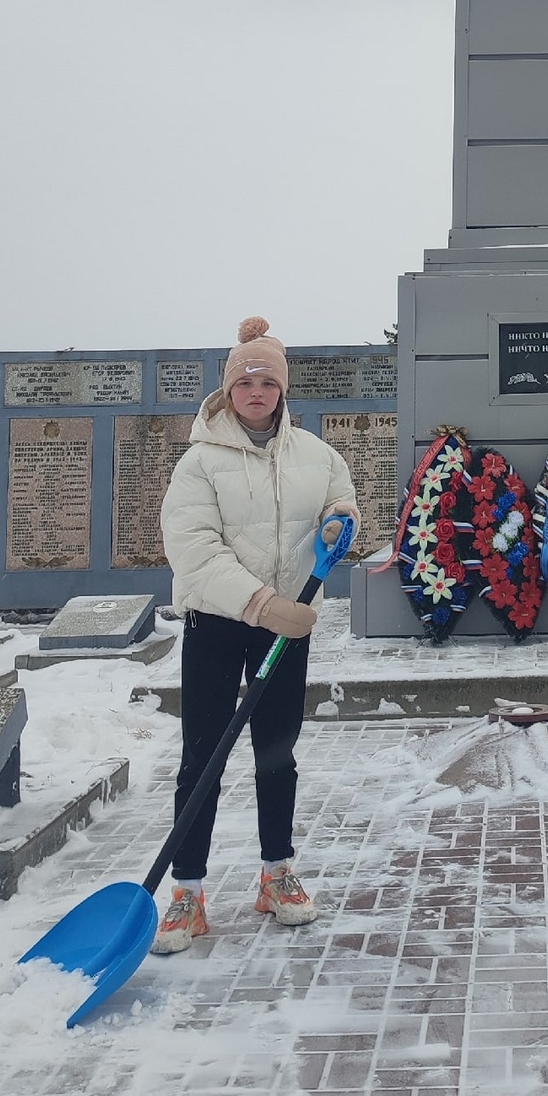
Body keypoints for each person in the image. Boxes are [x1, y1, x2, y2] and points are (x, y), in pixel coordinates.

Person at [151, 316, 361, 952]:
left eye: (269, 381)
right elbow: (192, 549)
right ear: (228, 390)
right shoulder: (199, 464)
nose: (258, 391)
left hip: (287, 623)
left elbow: (341, 500)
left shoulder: (316, 456)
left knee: (276, 751)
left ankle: (277, 873)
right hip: (218, 623)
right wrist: (263, 605)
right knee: (203, 758)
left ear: (282, 389)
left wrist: (337, 522)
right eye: (247, 381)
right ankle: (187, 891)